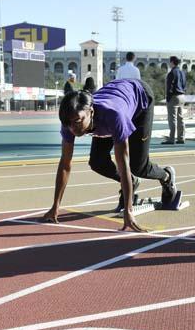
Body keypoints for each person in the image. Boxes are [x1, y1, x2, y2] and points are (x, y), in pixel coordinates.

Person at [42, 79, 178, 232]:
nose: (72, 128)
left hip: (140, 98)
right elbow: (65, 164)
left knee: (137, 167)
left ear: (91, 112)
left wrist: (128, 211)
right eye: (68, 124)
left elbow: (123, 164)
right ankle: (132, 183)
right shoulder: (70, 119)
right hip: (114, 100)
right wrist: (55, 206)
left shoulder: (114, 116)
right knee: (97, 162)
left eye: (77, 122)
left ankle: (166, 176)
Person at [163, 56, 186, 144]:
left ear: (172, 62)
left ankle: (171, 138)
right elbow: (184, 84)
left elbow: (170, 86)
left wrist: (168, 97)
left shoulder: (172, 73)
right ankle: (181, 137)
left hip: (174, 96)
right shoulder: (182, 72)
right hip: (182, 96)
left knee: (172, 118)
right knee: (181, 118)